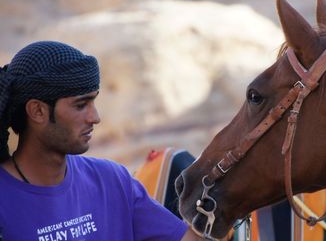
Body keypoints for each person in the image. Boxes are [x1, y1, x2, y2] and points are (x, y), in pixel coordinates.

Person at [0, 41, 203, 240]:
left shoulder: (112, 180)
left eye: (93, 101)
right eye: (80, 105)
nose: (95, 117)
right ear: (37, 111)